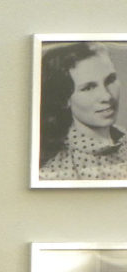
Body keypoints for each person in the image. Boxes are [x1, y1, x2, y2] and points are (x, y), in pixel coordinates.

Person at [39, 42, 127, 181]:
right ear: (64, 99)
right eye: (89, 87)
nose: (107, 96)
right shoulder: (56, 172)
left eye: (110, 80)